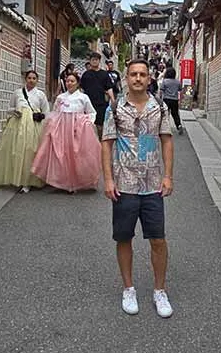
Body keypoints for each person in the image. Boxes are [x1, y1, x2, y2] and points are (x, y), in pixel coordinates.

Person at [102, 59, 176, 318]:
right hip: (124, 185)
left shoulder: (160, 107)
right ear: (126, 78)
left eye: (142, 74)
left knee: (158, 239)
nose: (137, 78)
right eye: (133, 74)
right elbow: (107, 143)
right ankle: (128, 288)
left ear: (149, 78)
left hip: (153, 185)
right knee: (124, 238)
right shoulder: (115, 108)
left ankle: (159, 290)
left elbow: (167, 141)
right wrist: (108, 179)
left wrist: (168, 176)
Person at [31, 71, 102, 192]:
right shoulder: (61, 97)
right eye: (67, 81)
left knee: (76, 154)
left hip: (78, 128)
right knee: (61, 154)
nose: (69, 83)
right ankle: (63, 181)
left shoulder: (83, 97)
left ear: (77, 83)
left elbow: (91, 112)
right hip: (61, 128)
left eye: (72, 81)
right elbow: (55, 112)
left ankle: (77, 181)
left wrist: (87, 122)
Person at [0, 70, 48, 193]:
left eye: (34, 78)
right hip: (17, 125)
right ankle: (17, 179)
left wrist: (40, 116)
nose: (31, 80)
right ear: (25, 79)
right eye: (29, 78)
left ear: (37, 80)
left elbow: (46, 112)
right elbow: (9, 108)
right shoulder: (17, 93)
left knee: (30, 152)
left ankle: (28, 181)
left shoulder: (40, 95)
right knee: (16, 151)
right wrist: (15, 111)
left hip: (33, 126)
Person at [78, 52, 117, 138]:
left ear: (99, 61)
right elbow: (81, 88)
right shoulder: (86, 74)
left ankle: (100, 141)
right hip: (88, 104)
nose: (94, 61)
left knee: (100, 126)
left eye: (96, 60)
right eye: (93, 60)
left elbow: (109, 88)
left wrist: (113, 99)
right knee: (88, 124)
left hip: (101, 103)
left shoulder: (104, 74)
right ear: (90, 61)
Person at [158, 66, 184, 134]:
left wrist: (160, 99)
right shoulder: (177, 82)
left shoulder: (165, 81)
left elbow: (161, 90)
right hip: (175, 100)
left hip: (166, 99)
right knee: (175, 114)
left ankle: (164, 127)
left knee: (165, 114)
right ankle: (179, 125)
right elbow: (180, 90)